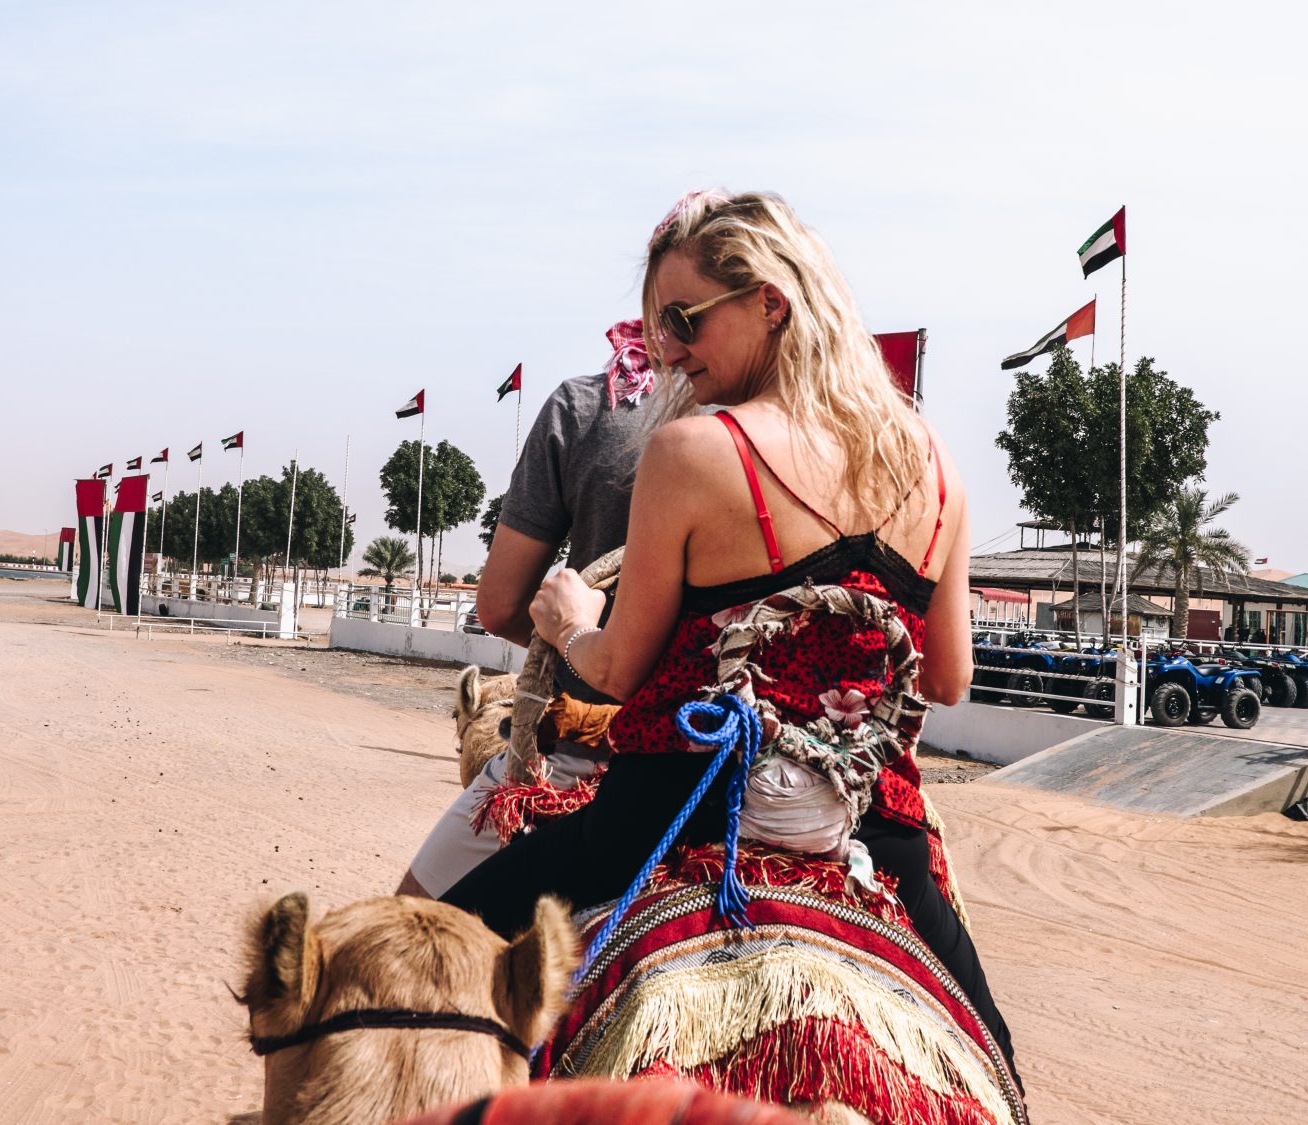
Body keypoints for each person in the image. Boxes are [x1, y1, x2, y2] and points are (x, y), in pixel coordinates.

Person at [440, 190, 1014, 1072]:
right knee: (997, 1058)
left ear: (770, 304)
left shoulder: (695, 450)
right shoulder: (934, 462)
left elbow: (620, 671)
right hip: (868, 820)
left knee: (428, 961)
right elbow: (946, 681)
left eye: (683, 319)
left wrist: (569, 618)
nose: (666, 348)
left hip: (679, 803)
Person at [398, 321, 655, 897]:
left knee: (406, 933)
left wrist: (573, 643)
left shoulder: (590, 405)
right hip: (766, 764)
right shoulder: (793, 423)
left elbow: (498, 606)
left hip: (591, 752)